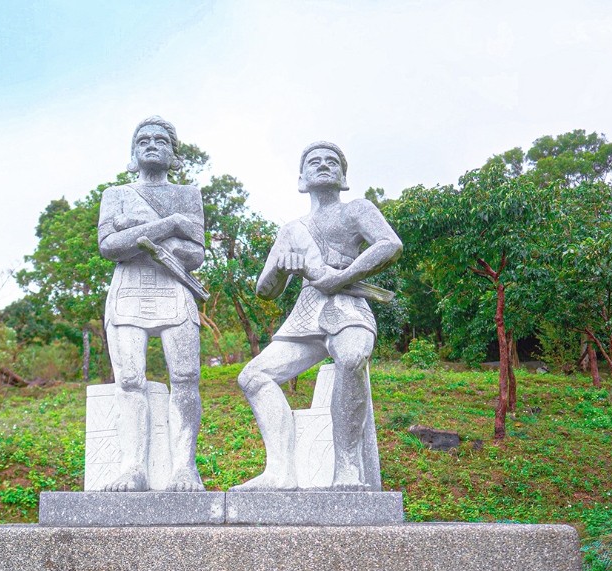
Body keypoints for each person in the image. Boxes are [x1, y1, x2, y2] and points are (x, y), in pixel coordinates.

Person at [232, 141, 403, 491]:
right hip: (307, 312)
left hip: (348, 305)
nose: (323, 165)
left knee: (352, 357)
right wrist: (283, 269)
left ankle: (347, 467)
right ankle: (279, 471)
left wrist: (340, 276)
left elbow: (390, 244)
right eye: (314, 162)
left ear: (343, 177)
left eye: (332, 162)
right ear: (301, 179)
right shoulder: (291, 230)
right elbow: (265, 289)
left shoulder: (357, 209)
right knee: (253, 377)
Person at [97, 116, 206, 491]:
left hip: (175, 290)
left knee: (186, 379)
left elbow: (195, 253)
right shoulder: (115, 195)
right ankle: (132, 467)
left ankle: (184, 467)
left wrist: (138, 233)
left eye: (161, 140)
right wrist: (168, 225)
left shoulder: (188, 195)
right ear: (133, 152)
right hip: (128, 293)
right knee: (129, 380)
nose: (152, 144)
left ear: (174, 153)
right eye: (143, 140)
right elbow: (109, 247)